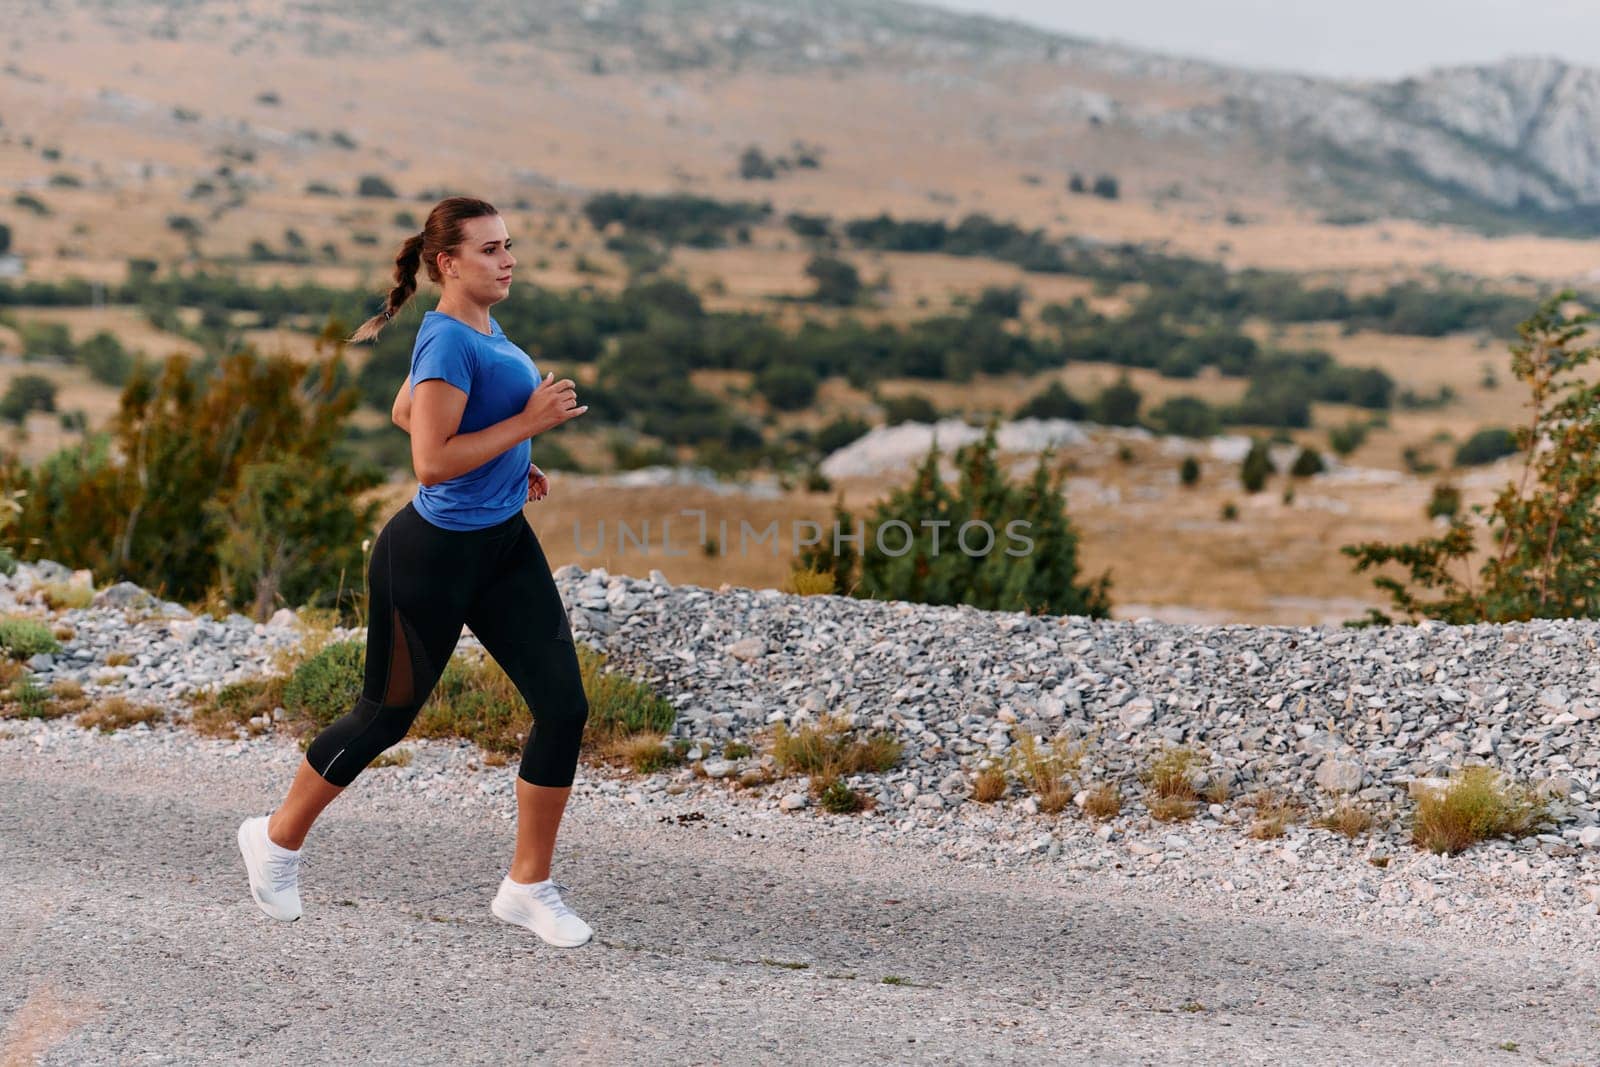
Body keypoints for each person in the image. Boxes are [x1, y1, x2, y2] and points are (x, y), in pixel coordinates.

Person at [237, 195, 595, 947]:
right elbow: (429, 459)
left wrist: (510, 461)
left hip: (501, 544)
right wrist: (529, 425)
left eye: (509, 245)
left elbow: (411, 411)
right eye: (492, 249)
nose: (509, 259)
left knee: (563, 707)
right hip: (429, 558)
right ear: (448, 263)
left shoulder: (476, 329)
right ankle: (274, 839)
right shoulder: (445, 341)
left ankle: (528, 885)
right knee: (385, 715)